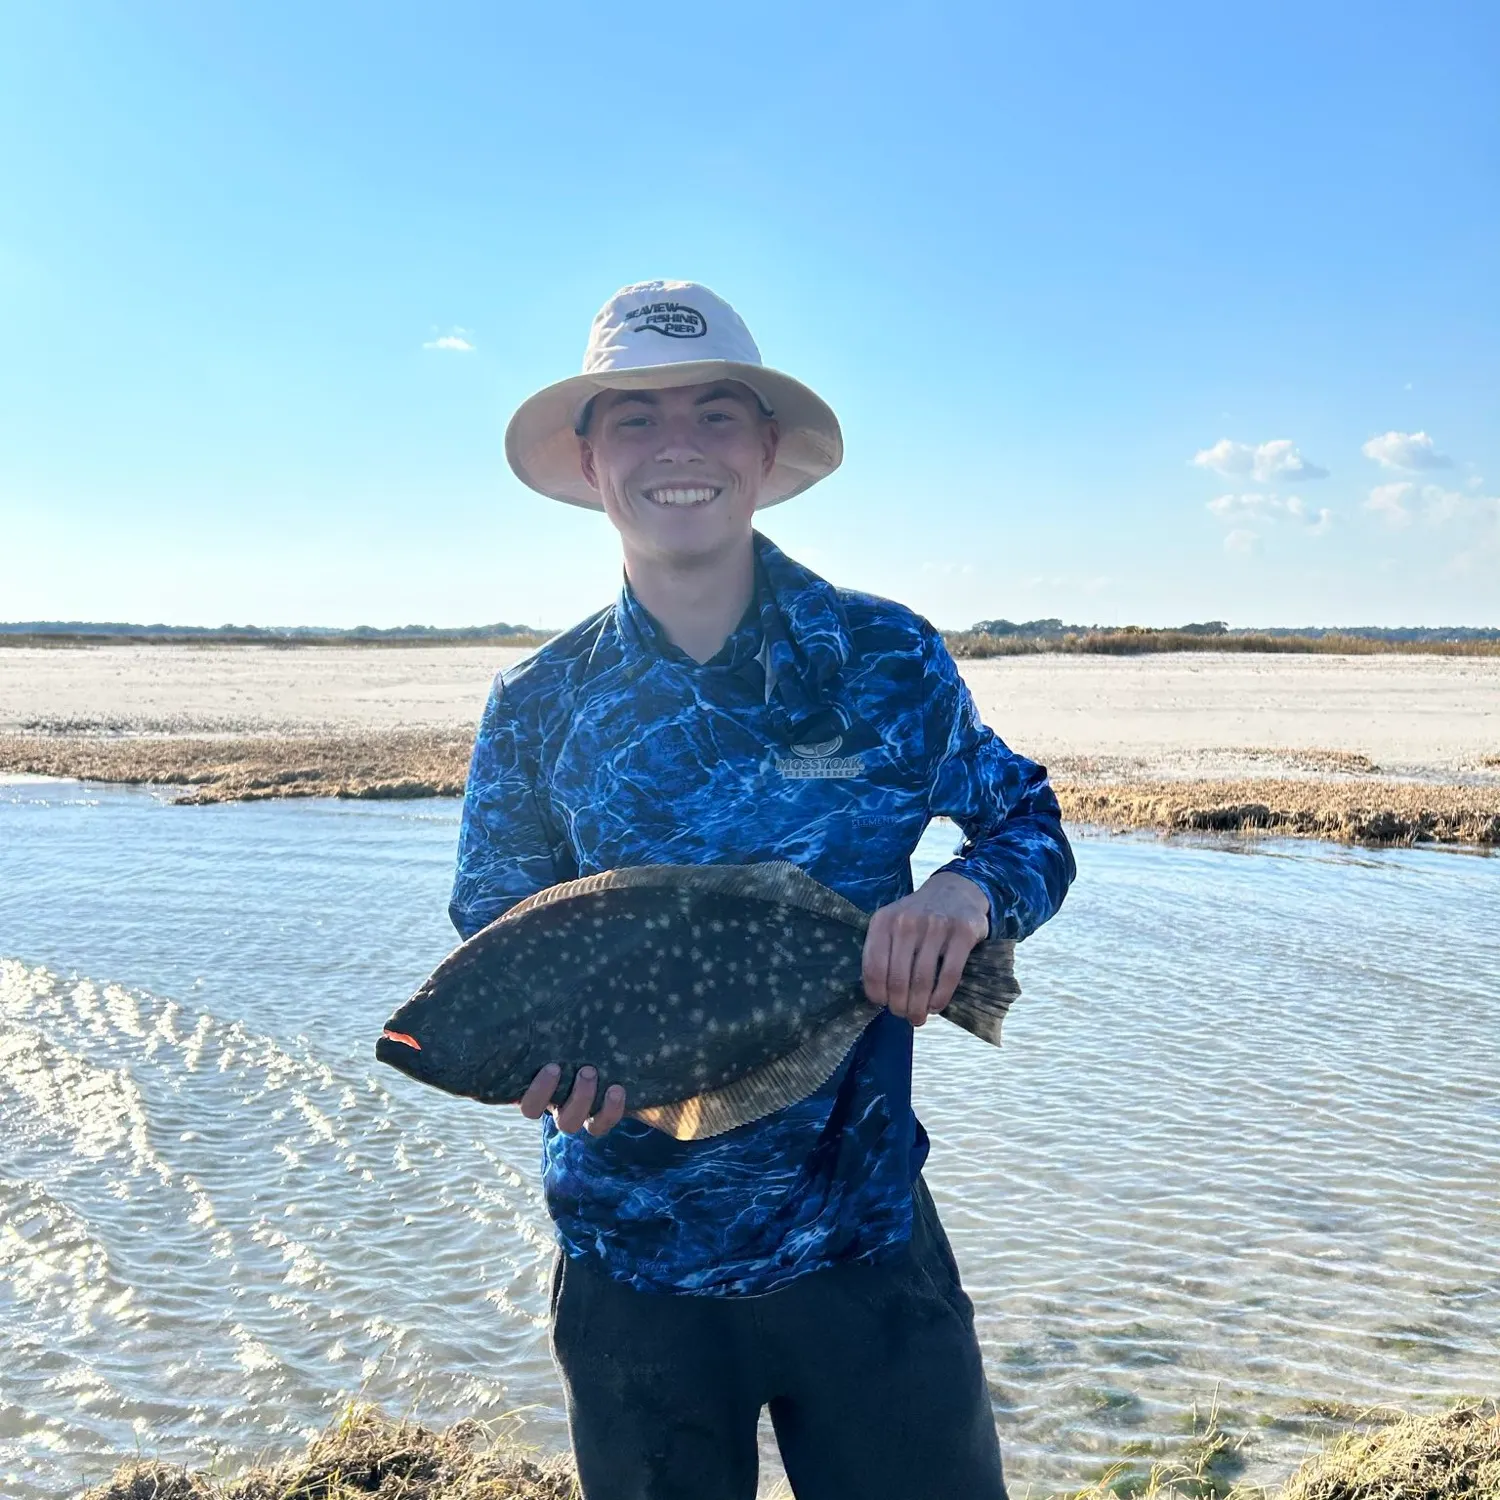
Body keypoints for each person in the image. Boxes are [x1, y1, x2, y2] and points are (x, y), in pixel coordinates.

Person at [449, 280, 1075, 1500]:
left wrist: (965, 899)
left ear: (767, 448)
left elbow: (1027, 818)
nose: (676, 444)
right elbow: (500, 931)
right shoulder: (537, 705)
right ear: (587, 461)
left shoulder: (886, 656)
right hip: (633, 1268)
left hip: (865, 1235)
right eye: (633, 418)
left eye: (714, 412)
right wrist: (546, 1066)